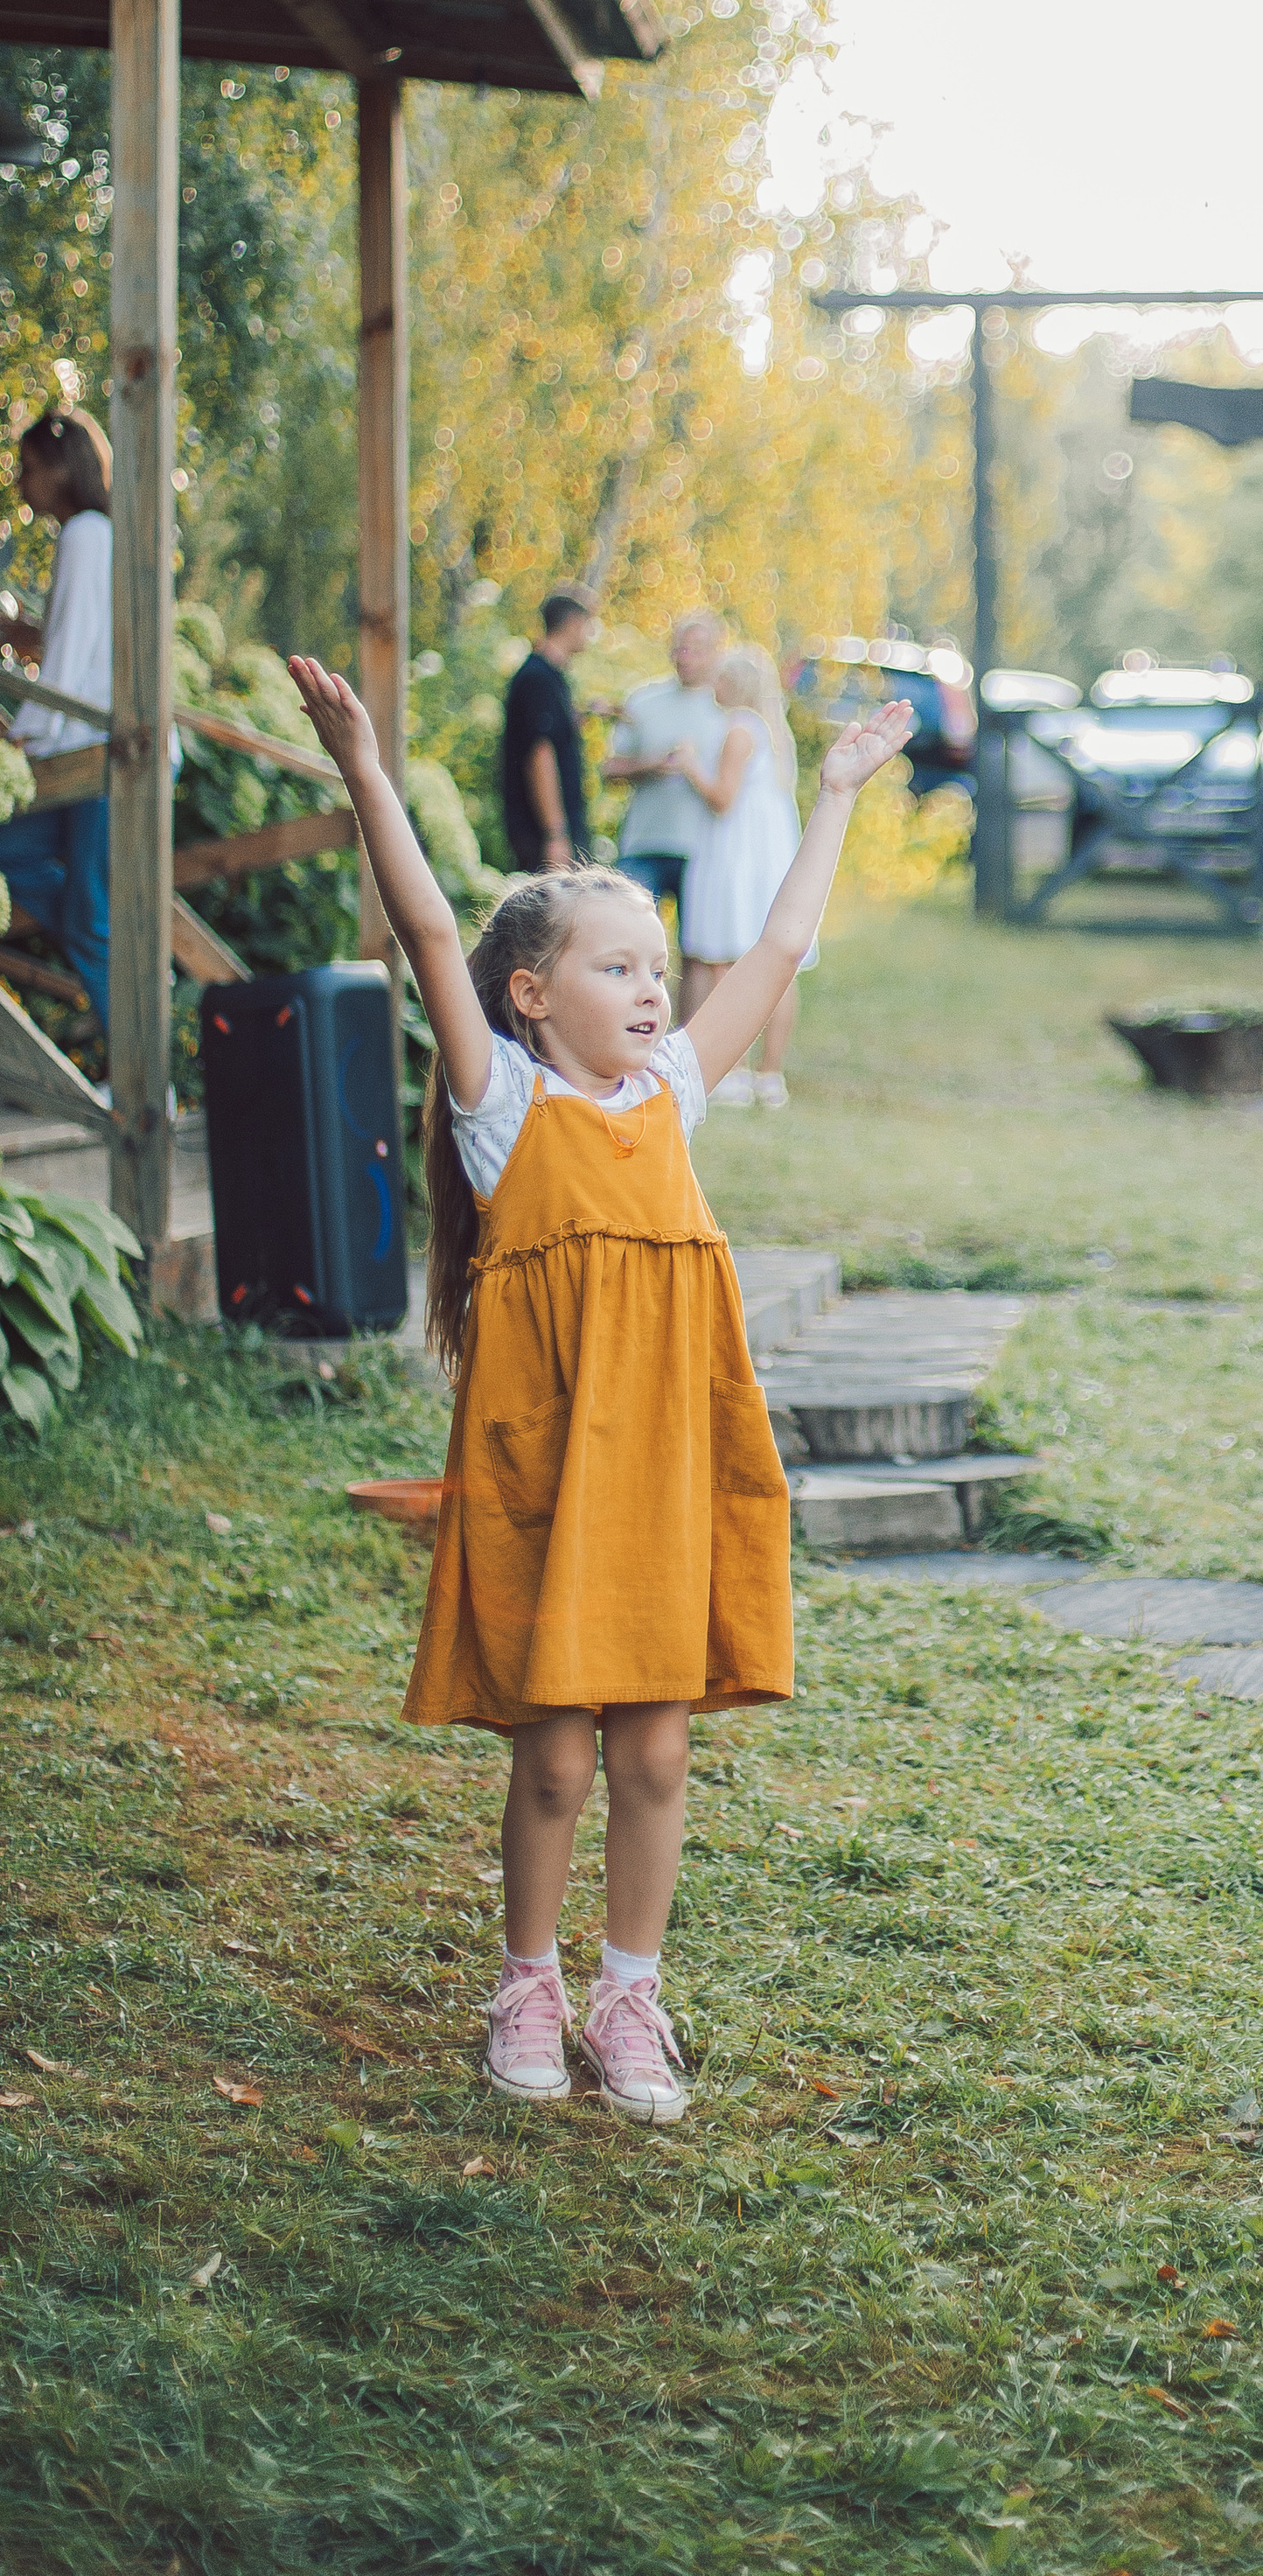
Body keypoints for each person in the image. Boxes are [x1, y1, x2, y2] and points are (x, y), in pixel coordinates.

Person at [285, 642, 911, 2126]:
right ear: (531, 994)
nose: (647, 989)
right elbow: (429, 928)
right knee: (554, 1760)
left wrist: (831, 793)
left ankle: (630, 1991)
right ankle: (528, 1978)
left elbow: (772, 952)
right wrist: (368, 770)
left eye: (650, 967)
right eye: (615, 968)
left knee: (656, 1745)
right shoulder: (504, 1112)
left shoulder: (674, 1096)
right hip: (548, 1478)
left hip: (666, 1478)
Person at [1, 410, 115, 1024]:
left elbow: (70, 664)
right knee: (73, 904)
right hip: (89, 750)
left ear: (61, 470)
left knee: (91, 919)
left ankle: (144, 1084)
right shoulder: (98, 535)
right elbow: (78, 644)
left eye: (29, 468)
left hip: (100, 757)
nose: (22, 483)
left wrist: (20, 735)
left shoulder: (85, 535)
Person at [675, 646, 809, 1110]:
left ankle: (731, 1070)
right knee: (776, 961)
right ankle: (769, 1075)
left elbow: (722, 797)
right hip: (767, 854)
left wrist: (690, 764)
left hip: (736, 852)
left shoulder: (738, 729)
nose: (713, 685)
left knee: (724, 958)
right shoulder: (773, 732)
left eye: (720, 678)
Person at [603, 611, 732, 1016]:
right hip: (643, 843)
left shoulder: (728, 709)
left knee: (698, 952)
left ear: (716, 653)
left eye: (695, 648)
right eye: (679, 646)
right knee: (627, 947)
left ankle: (688, 1051)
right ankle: (626, 1035)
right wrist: (654, 764)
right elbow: (610, 769)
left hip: (704, 848)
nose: (685, 655)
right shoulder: (643, 700)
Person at [499, 584, 600, 876]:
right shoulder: (537, 678)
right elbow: (539, 752)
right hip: (544, 837)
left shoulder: (553, 678)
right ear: (572, 623)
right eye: (588, 625)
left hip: (554, 831)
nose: (590, 634)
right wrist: (555, 834)